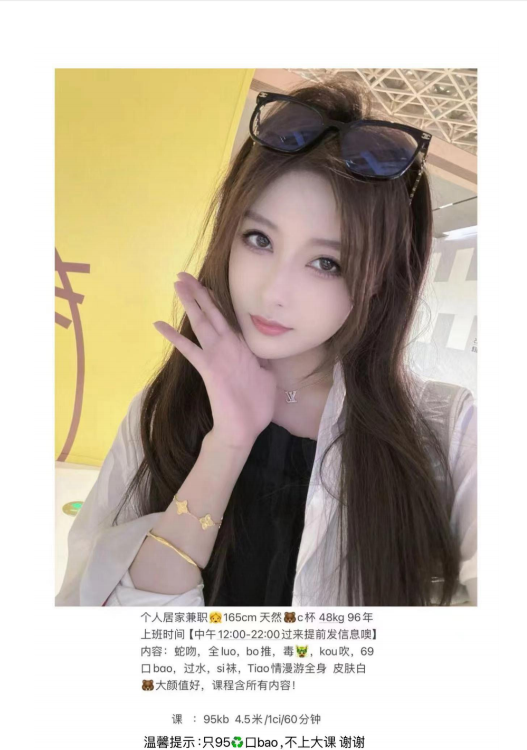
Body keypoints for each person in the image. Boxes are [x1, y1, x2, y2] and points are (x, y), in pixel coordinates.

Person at [55, 79, 477, 607]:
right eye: (259, 239)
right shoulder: (166, 407)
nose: (274, 292)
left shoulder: (446, 434)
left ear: (377, 279)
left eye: (327, 263)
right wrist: (228, 442)